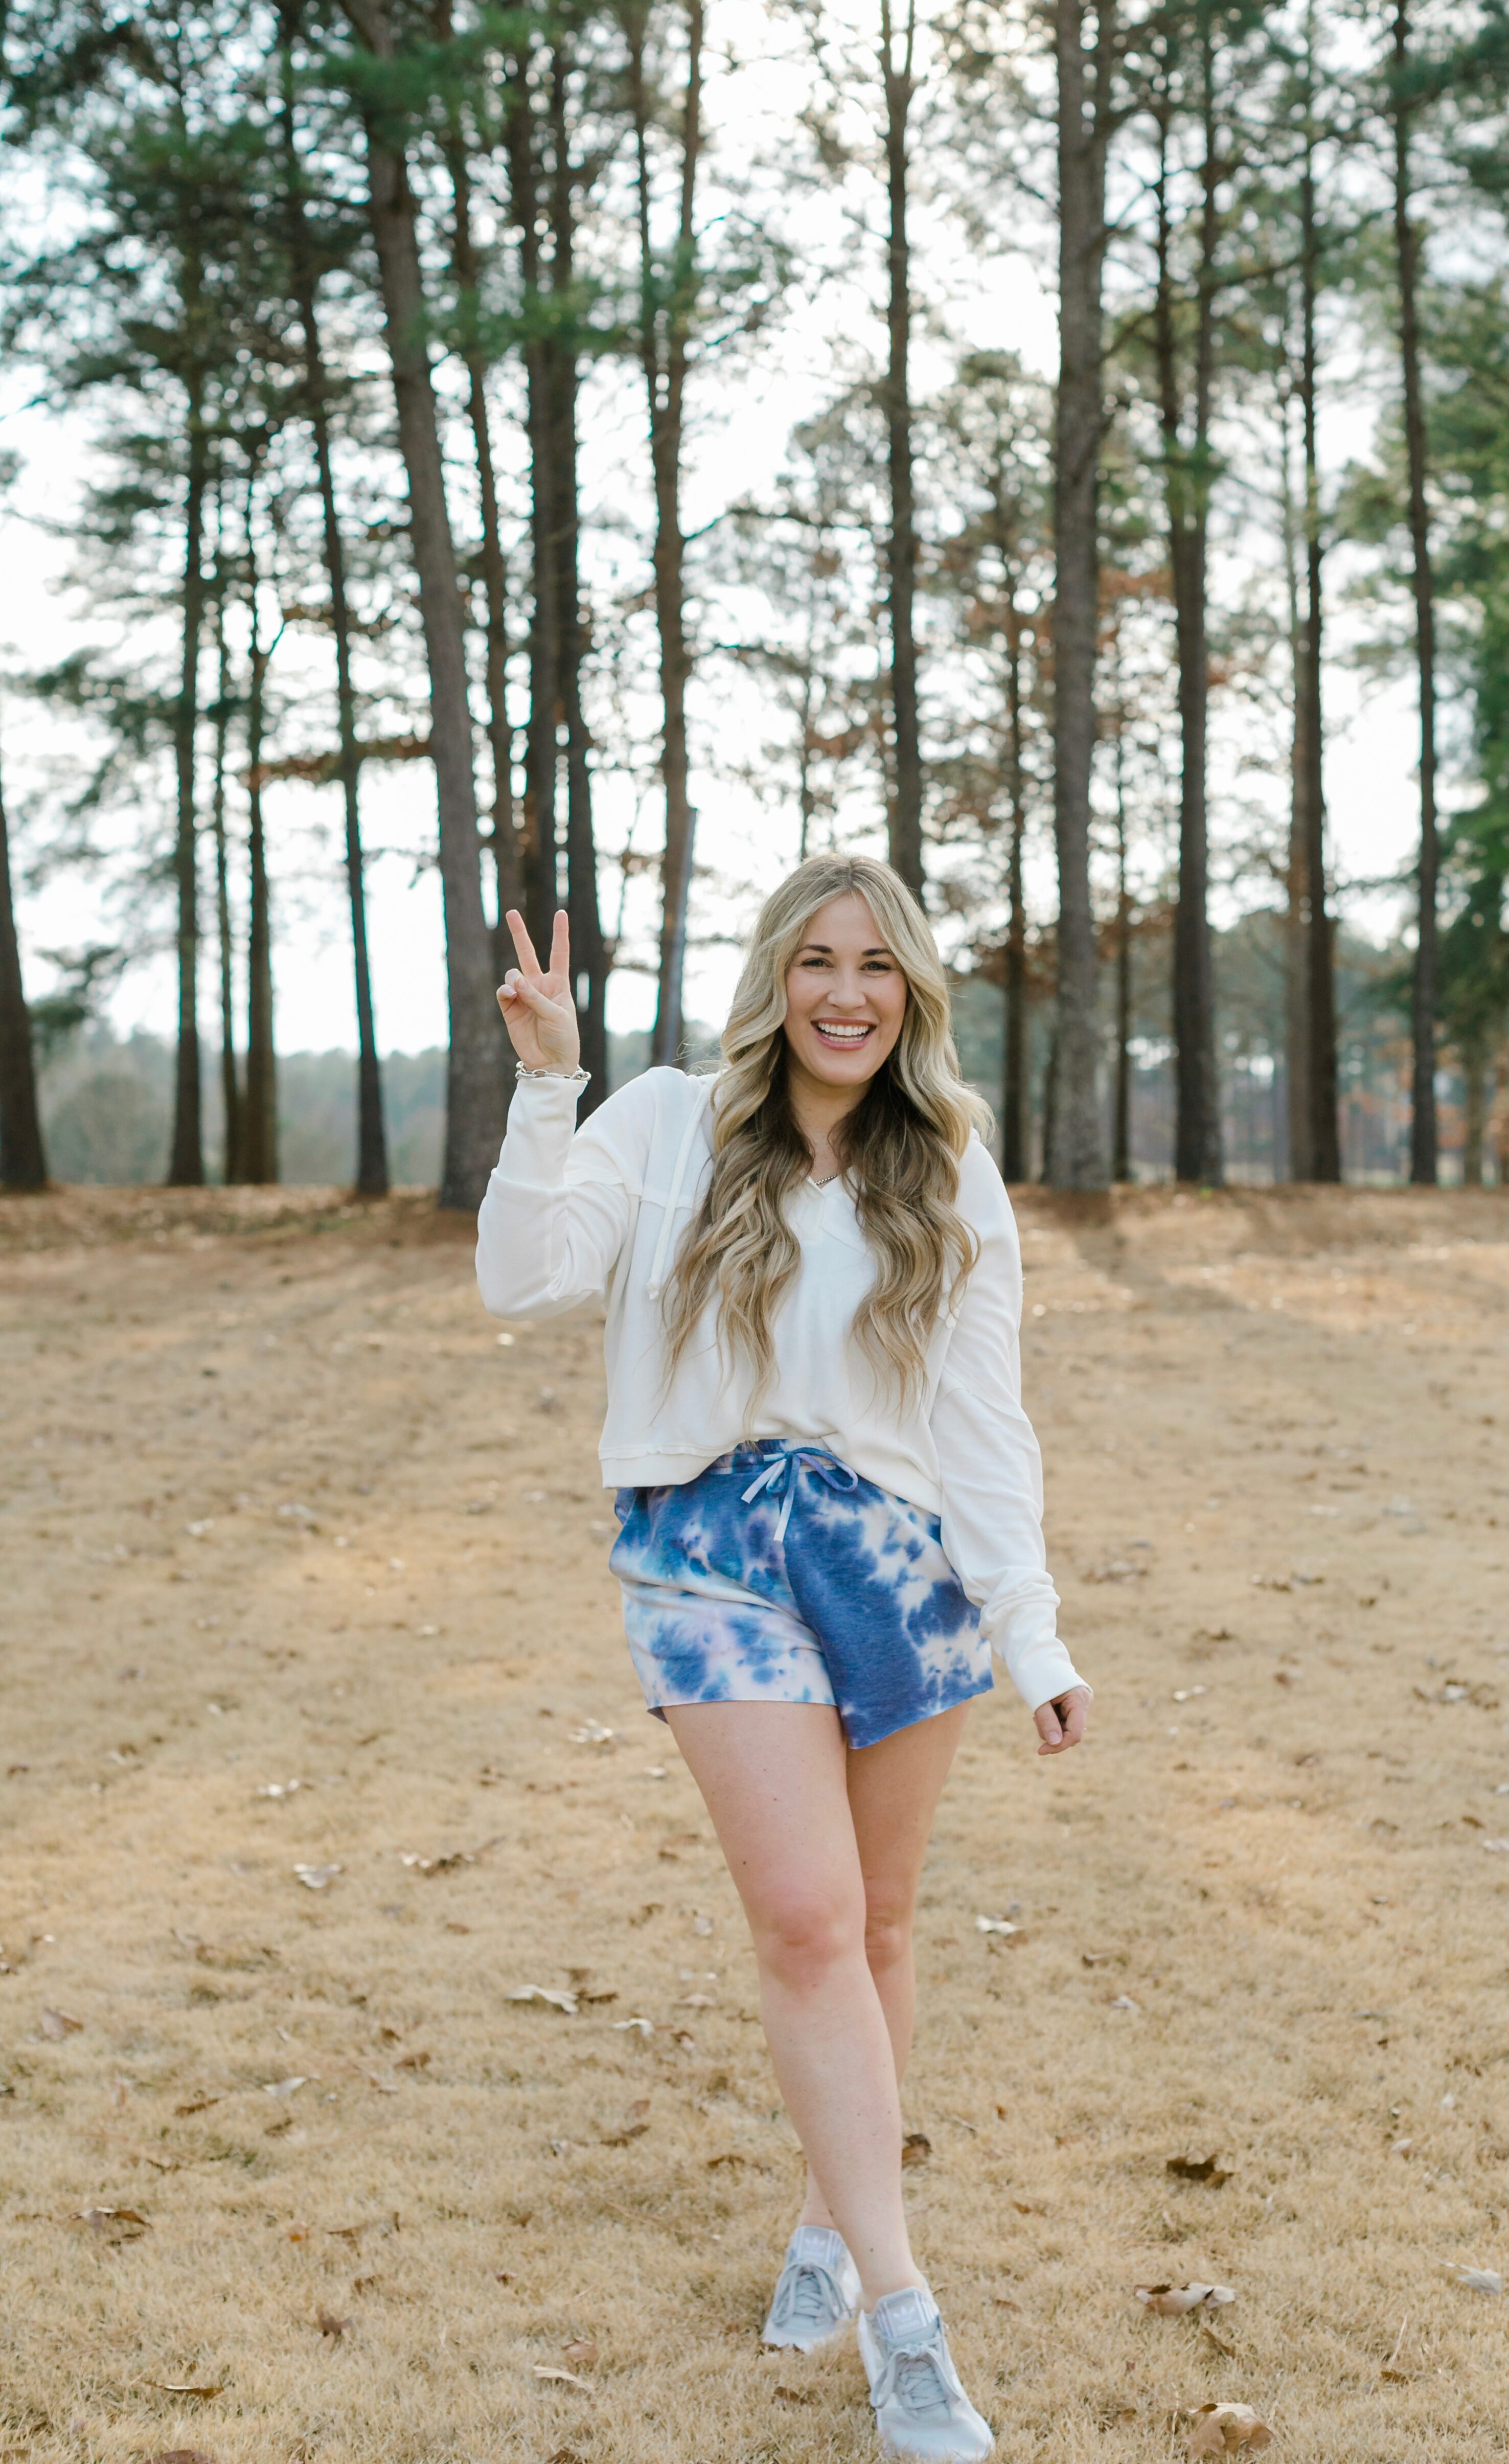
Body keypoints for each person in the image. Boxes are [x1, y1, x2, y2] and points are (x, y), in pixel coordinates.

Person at [476, 854, 1091, 2463]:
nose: (846, 992)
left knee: (881, 1923)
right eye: (817, 959)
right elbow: (523, 1277)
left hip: (898, 1561)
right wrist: (551, 1088)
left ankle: (830, 2220)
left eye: (877, 966)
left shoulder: (946, 1165)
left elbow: (982, 1417)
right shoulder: (667, 1122)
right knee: (810, 1917)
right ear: (775, 975)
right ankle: (907, 2324)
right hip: (710, 1554)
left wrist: (1030, 1629)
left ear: (912, 992)